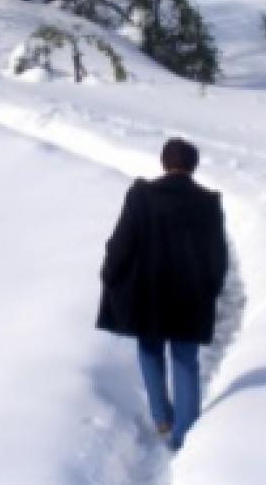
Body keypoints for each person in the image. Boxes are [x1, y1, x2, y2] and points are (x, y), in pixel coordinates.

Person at [96, 137, 228, 451]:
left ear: (164, 162)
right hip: (190, 297)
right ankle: (186, 434)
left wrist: (110, 274)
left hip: (148, 293)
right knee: (185, 361)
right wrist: (211, 288)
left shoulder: (142, 195)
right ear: (193, 167)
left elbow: (122, 242)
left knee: (150, 351)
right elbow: (217, 256)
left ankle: (162, 417)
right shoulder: (208, 203)